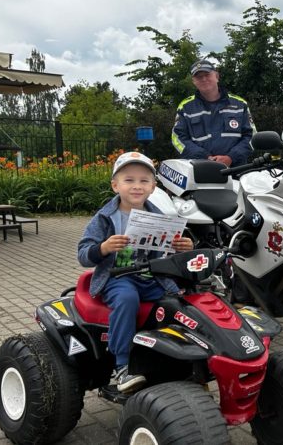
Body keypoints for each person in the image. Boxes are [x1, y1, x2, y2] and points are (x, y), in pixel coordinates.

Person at [77, 151, 194, 393]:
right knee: (127, 299)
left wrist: (184, 248)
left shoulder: (159, 216)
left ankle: (178, 362)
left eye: (144, 181)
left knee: (179, 303)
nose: (137, 186)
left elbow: (169, 256)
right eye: (129, 180)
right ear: (115, 185)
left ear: (153, 187)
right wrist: (103, 248)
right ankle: (121, 366)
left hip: (151, 278)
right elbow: (83, 254)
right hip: (118, 278)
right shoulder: (104, 218)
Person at [172, 59, 254, 167]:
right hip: (199, 171)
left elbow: (252, 136)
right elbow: (177, 138)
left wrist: (231, 157)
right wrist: (205, 157)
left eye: (207, 74)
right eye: (198, 77)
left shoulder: (240, 104)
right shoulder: (185, 107)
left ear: (216, 76)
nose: (204, 79)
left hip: (237, 171)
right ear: (193, 81)